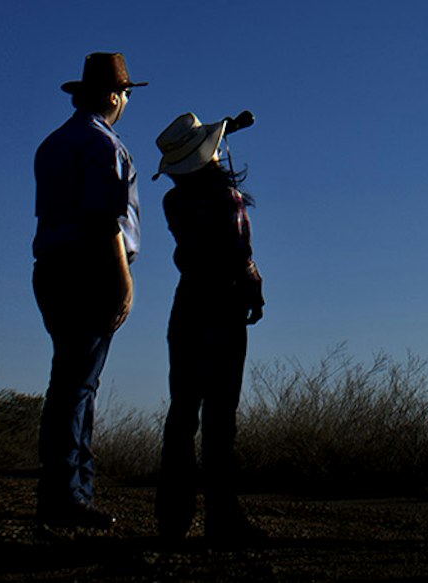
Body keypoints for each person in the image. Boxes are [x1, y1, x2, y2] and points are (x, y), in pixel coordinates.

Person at [32, 51, 145, 530]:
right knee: (79, 385)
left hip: (51, 268)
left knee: (68, 381)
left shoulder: (53, 144)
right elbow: (106, 221)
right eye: (124, 95)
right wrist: (123, 281)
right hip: (90, 270)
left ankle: (64, 490)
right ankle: (69, 496)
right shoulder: (104, 147)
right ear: (115, 96)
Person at [153, 108, 266, 547]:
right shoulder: (225, 199)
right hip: (222, 303)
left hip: (187, 305)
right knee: (220, 415)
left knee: (182, 412)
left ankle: (173, 518)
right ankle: (222, 517)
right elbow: (240, 256)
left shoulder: (174, 201)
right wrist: (253, 288)